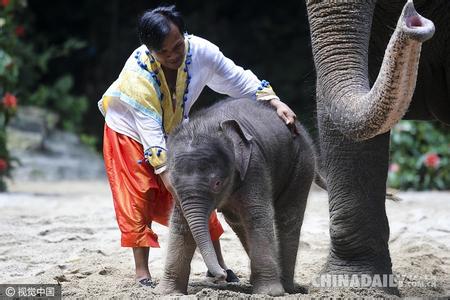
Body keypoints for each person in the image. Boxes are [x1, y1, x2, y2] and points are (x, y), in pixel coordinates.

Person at [98, 5, 297, 287]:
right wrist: (168, 174)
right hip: (128, 131)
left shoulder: (200, 51)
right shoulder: (136, 78)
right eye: (164, 52)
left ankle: (217, 265)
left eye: (177, 46)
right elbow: (151, 136)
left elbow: (237, 79)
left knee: (200, 192)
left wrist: (273, 101)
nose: (174, 55)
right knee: (139, 196)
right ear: (150, 51)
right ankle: (142, 271)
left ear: (184, 34)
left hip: (176, 129)